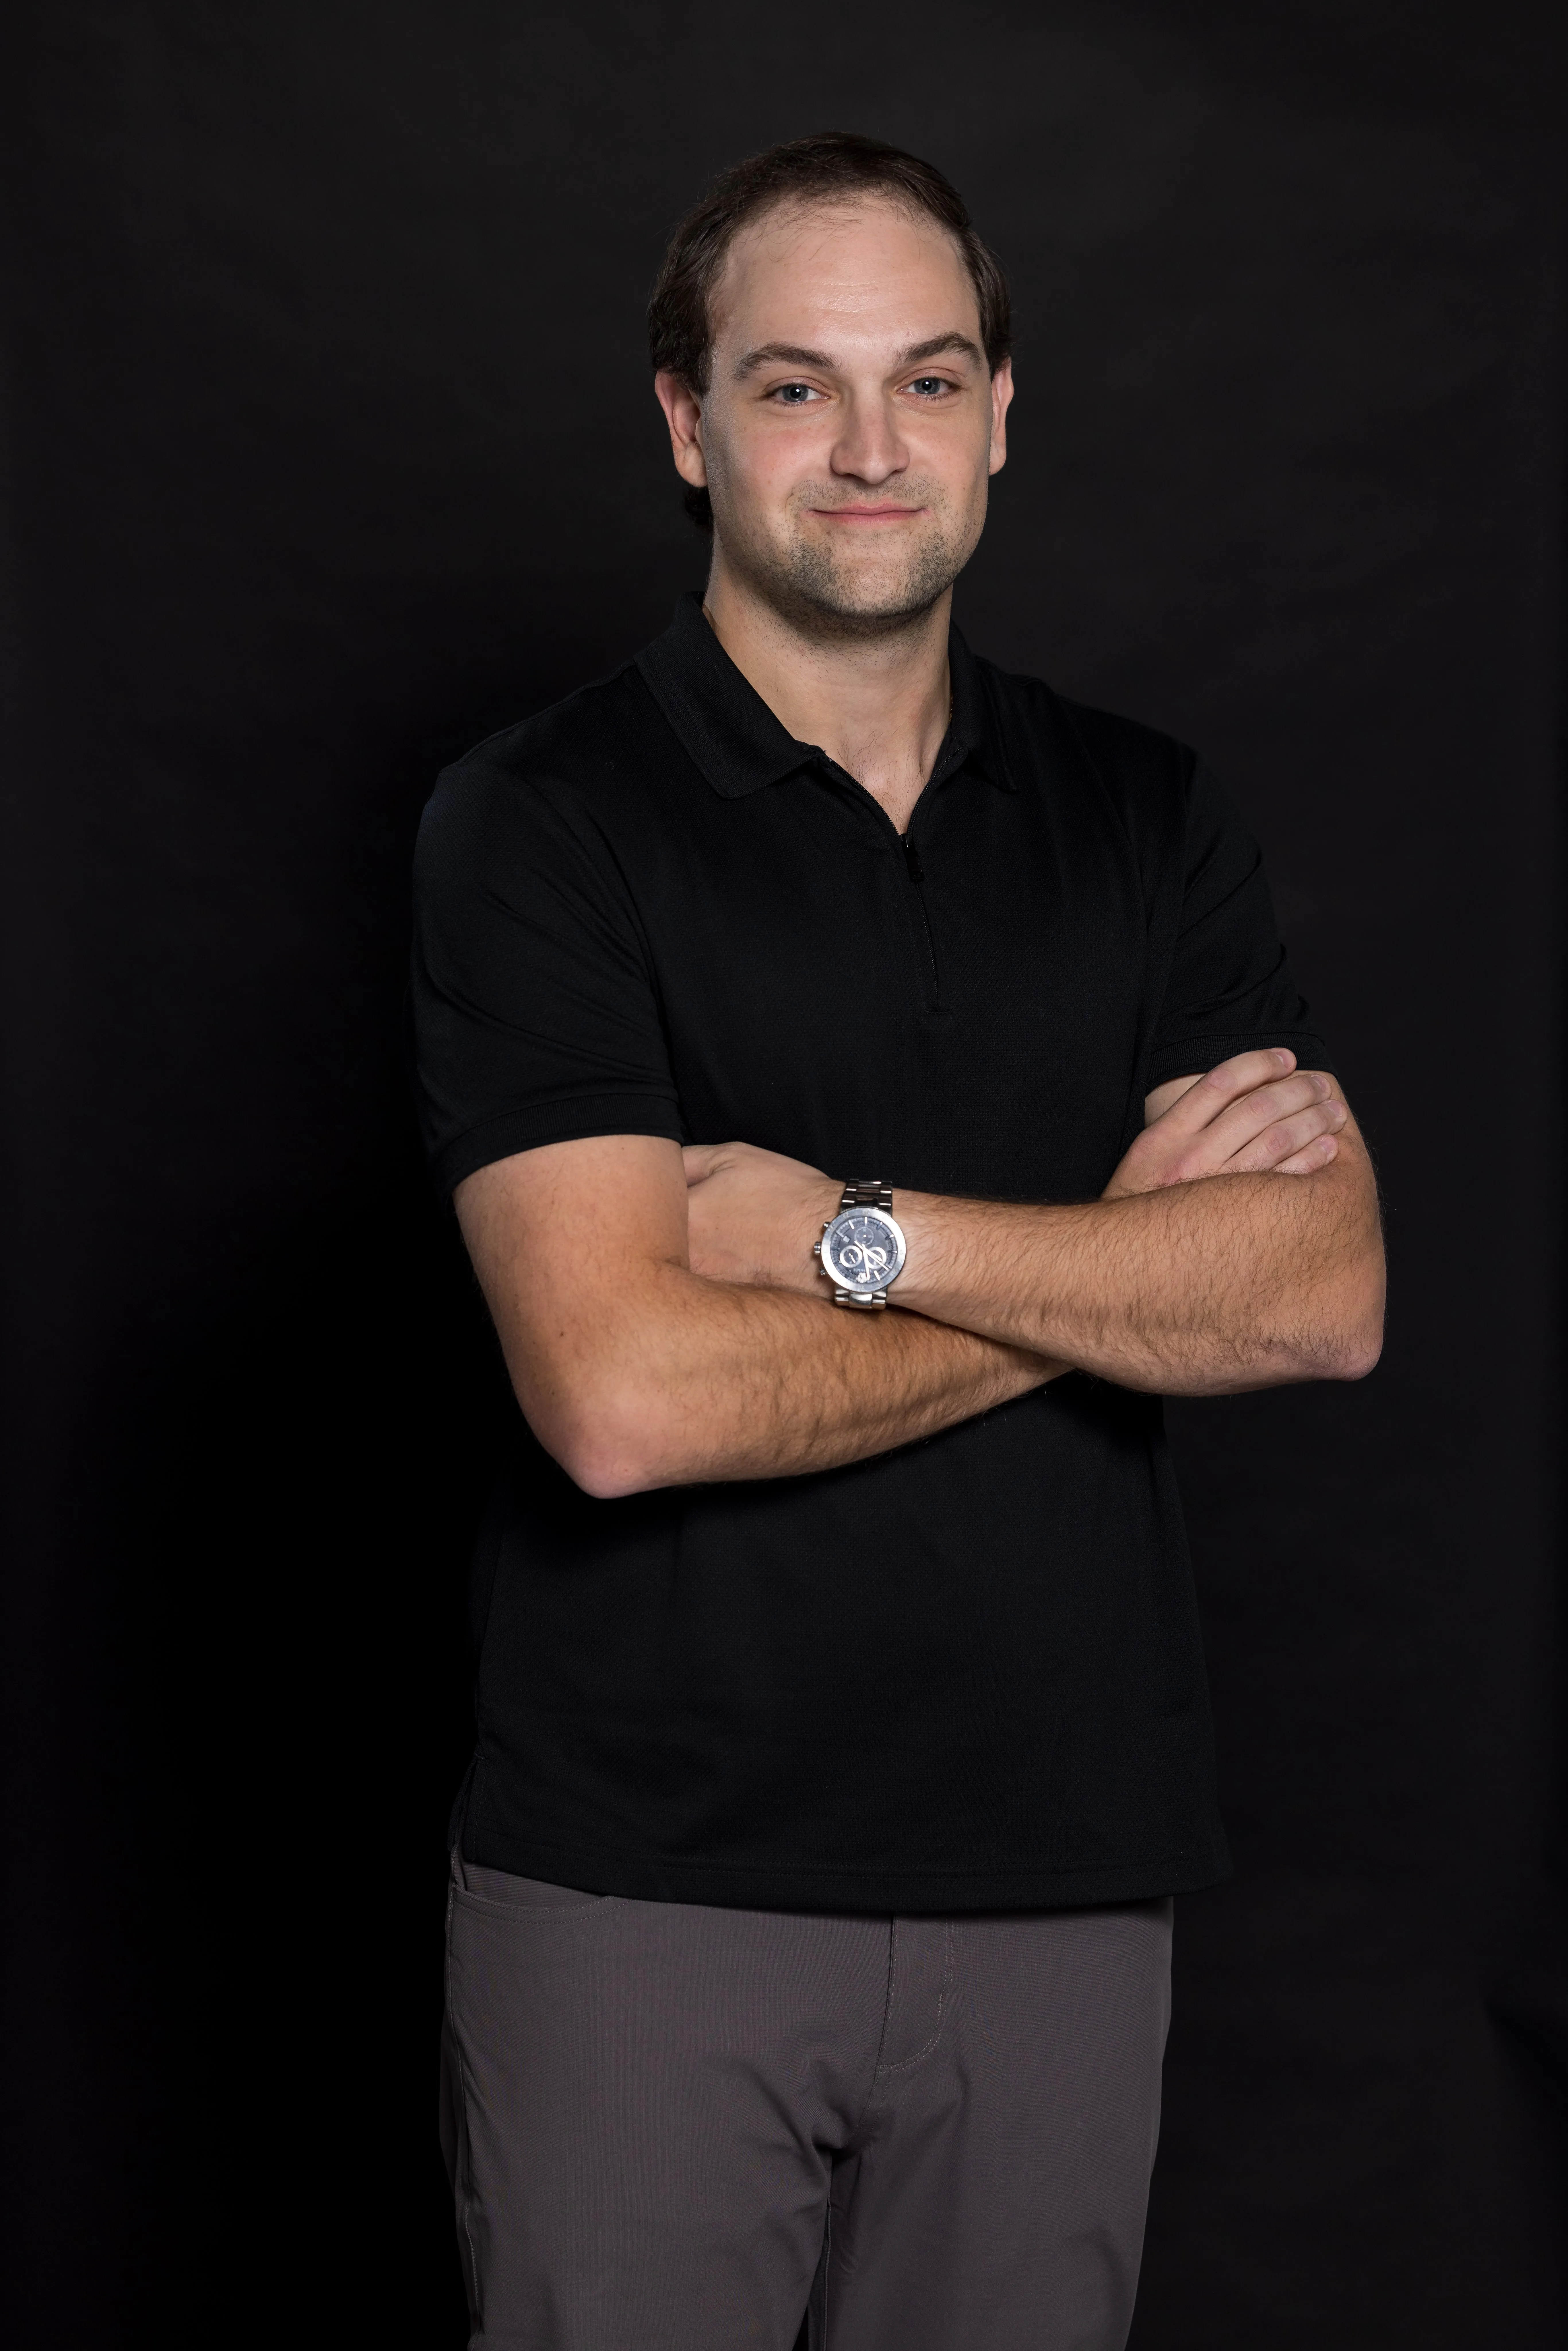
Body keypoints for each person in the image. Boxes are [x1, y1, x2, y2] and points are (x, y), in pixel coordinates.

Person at [414, 131, 1383, 2351]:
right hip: (644, 1896)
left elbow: (1318, 1296)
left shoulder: (1145, 819)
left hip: (1062, 1891)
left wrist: (855, 1236)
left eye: (927, 381)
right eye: (790, 385)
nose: (869, 448)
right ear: (686, 424)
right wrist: (1117, 1281)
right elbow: (623, 1400)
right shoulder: (540, 825)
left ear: (1001, 412)